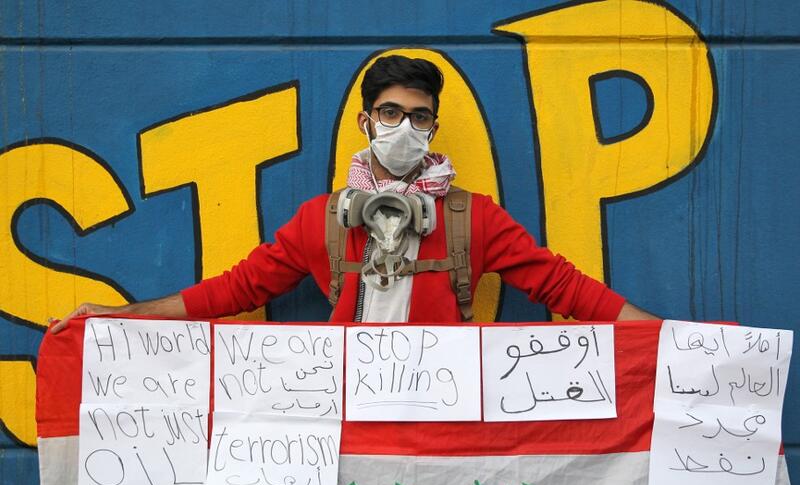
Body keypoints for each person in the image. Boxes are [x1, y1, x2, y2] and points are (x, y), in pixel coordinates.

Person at [52, 55, 655, 334]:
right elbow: (235, 290)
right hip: (348, 430)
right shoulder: (320, 222)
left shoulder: (475, 219)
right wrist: (119, 318)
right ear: (366, 122)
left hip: (447, 428)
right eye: (390, 112)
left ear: (433, 131)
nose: (404, 127)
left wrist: (670, 339)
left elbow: (563, 287)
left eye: (419, 118)